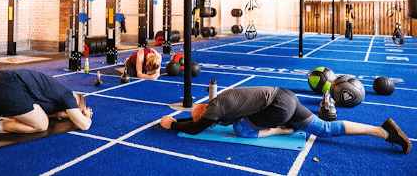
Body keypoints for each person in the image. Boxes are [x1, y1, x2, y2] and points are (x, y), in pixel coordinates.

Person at [160, 86, 411, 154]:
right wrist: (180, 118)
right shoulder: (217, 103)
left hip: (278, 109)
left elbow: (195, 128)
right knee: (324, 129)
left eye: (207, 119)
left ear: (206, 112)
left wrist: (173, 125)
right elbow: (197, 119)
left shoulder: (213, 112)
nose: (211, 124)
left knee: (240, 130)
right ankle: (382, 131)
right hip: (285, 97)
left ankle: (281, 130)